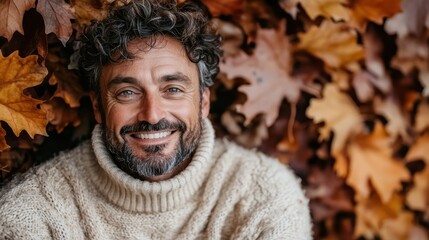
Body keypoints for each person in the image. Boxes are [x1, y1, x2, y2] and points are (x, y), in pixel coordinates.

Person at [0, 0, 312, 239]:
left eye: (173, 89)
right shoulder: (35, 212)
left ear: (203, 101)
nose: (152, 115)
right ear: (97, 107)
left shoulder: (263, 194)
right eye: (127, 93)